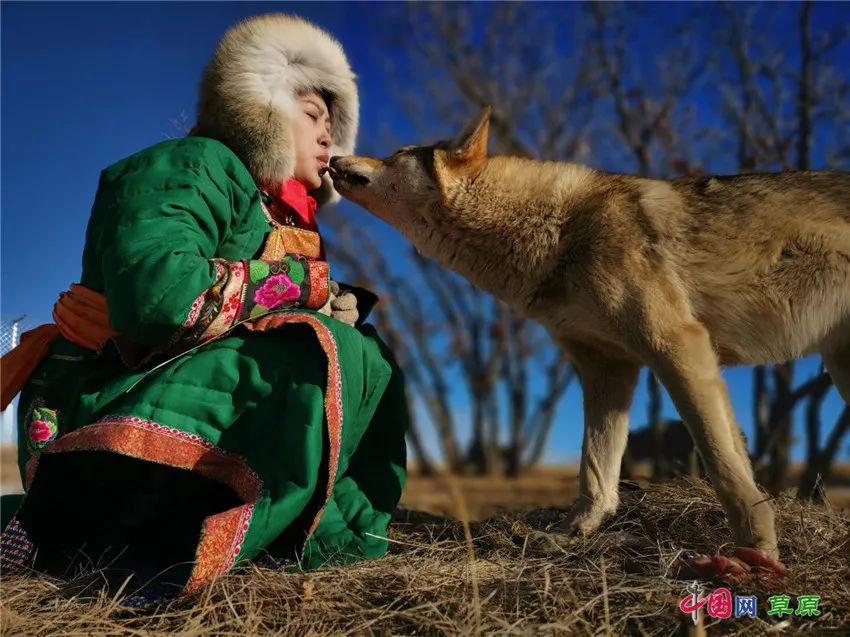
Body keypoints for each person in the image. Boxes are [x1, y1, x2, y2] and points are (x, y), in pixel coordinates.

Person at [0, 13, 407, 597]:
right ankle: (90, 527)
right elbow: (163, 295)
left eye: (332, 126)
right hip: (100, 396)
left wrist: (318, 297)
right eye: (313, 115)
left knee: (358, 347)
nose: (329, 138)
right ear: (261, 106)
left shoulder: (278, 217)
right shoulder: (192, 165)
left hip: (176, 388)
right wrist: (303, 288)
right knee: (314, 346)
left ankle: (279, 529)